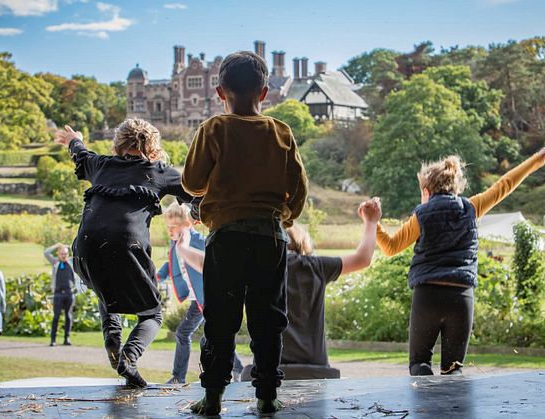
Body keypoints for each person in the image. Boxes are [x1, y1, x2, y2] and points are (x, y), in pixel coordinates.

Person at [182, 51, 307, 415]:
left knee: (221, 317)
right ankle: (267, 396)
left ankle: (214, 397)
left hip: (226, 236)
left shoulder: (214, 128)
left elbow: (191, 182)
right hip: (270, 236)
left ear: (220, 92)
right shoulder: (281, 132)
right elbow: (298, 189)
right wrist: (284, 218)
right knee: (268, 318)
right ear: (265, 92)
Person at [376, 147, 545, 376]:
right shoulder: (471, 207)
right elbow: (505, 184)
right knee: (453, 368)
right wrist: (536, 159)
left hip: (427, 296)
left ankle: (426, 410)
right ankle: (454, 411)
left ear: (426, 189)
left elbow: (390, 247)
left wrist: (374, 223)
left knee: (419, 364)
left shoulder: (421, 216)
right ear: (455, 186)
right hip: (461, 297)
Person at [54, 118, 194, 388]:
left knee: (106, 289)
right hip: (125, 246)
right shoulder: (158, 170)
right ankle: (129, 357)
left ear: (118, 145)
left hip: (84, 249)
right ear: (153, 148)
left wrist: (74, 138)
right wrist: (198, 212)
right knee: (152, 314)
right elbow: (194, 191)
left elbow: (80, 152)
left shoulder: (102, 165)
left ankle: (113, 338)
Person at [234, 198, 380, 381]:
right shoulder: (316, 266)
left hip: (268, 368)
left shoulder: (256, 268)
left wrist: (185, 248)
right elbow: (362, 258)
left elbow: (205, 263)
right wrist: (371, 222)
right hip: (315, 368)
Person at [157, 202, 243, 385]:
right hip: (198, 299)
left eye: (174, 226)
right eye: (168, 227)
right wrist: (158, 277)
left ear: (187, 224)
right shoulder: (175, 244)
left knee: (186, 334)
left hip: (208, 297)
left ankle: (178, 377)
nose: (170, 230)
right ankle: (238, 369)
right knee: (211, 337)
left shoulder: (197, 241)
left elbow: (212, 263)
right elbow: (170, 264)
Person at [44, 243, 78, 346]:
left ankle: (66, 338)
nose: (64, 256)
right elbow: (46, 253)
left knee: (68, 316)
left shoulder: (71, 263)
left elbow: (77, 255)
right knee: (56, 317)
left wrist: (70, 248)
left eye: (65, 254)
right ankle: (53, 339)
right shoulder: (55, 263)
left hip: (69, 293)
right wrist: (56, 246)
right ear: (58, 254)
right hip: (58, 294)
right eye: (62, 254)